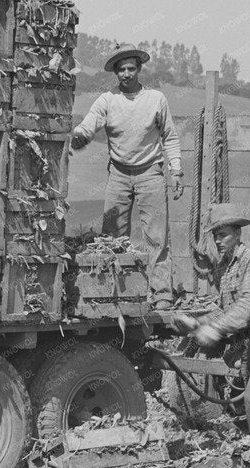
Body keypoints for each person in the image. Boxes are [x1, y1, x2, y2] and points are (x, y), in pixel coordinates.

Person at [70, 45, 184, 309]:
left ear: (139, 69)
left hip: (151, 173)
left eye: (131, 68)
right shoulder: (108, 100)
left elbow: (170, 137)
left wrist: (176, 170)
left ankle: (161, 292)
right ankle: (115, 292)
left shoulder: (156, 99)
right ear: (115, 73)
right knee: (112, 236)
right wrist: (80, 136)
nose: (126, 74)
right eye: (121, 69)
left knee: (156, 236)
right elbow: (90, 123)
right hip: (119, 174)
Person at [174, 203, 250, 438]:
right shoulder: (224, 268)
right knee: (249, 403)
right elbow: (223, 308)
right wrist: (197, 324)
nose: (218, 240)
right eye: (215, 235)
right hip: (248, 343)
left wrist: (214, 330)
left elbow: (247, 305)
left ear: (237, 234)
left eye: (223, 234)